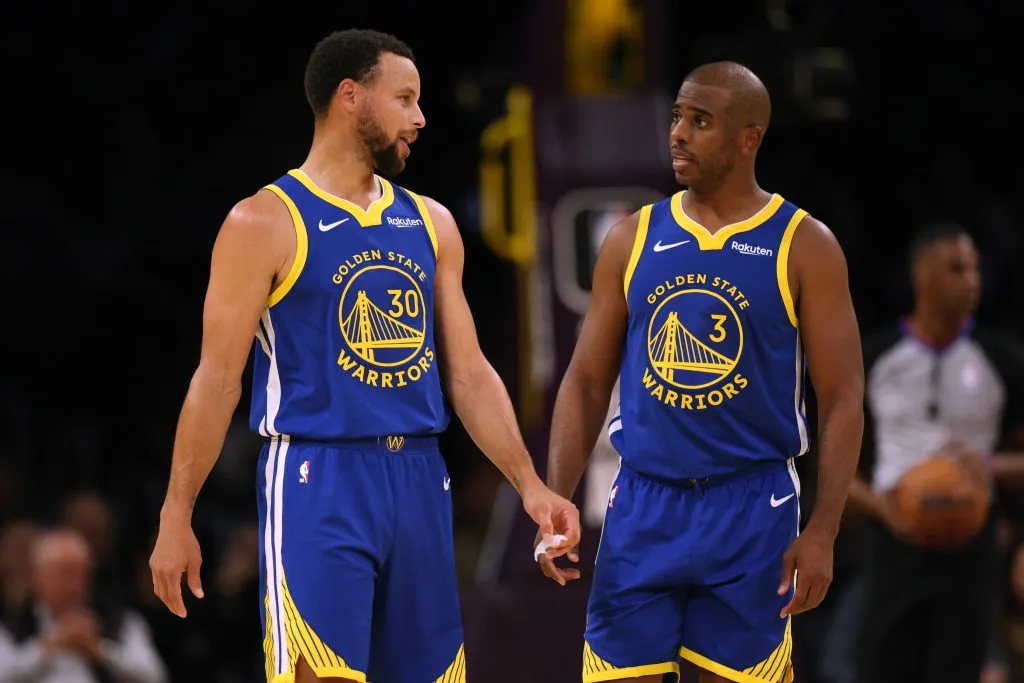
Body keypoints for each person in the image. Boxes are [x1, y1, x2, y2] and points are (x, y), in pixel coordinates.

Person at [148, 29, 581, 683]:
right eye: (404, 99)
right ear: (349, 96)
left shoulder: (431, 222)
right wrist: (176, 510)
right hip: (317, 477)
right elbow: (217, 380)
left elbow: (468, 372)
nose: (420, 118)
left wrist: (531, 486)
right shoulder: (262, 221)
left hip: (419, 476)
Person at [535, 61, 865, 683]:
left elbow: (843, 396)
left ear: (748, 139)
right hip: (644, 504)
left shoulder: (805, 244)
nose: (679, 134)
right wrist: (556, 499)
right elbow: (585, 382)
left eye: (701, 121)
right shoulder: (632, 238)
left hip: (753, 510)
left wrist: (823, 530)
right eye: (677, 117)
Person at [846, 223, 1024, 683]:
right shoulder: (875, 356)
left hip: (973, 543)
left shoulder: (1002, 359)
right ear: (922, 275)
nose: (973, 281)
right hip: (895, 540)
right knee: (882, 669)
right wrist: (881, 507)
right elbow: (833, 466)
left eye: (976, 269)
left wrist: (990, 465)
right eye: (957, 269)